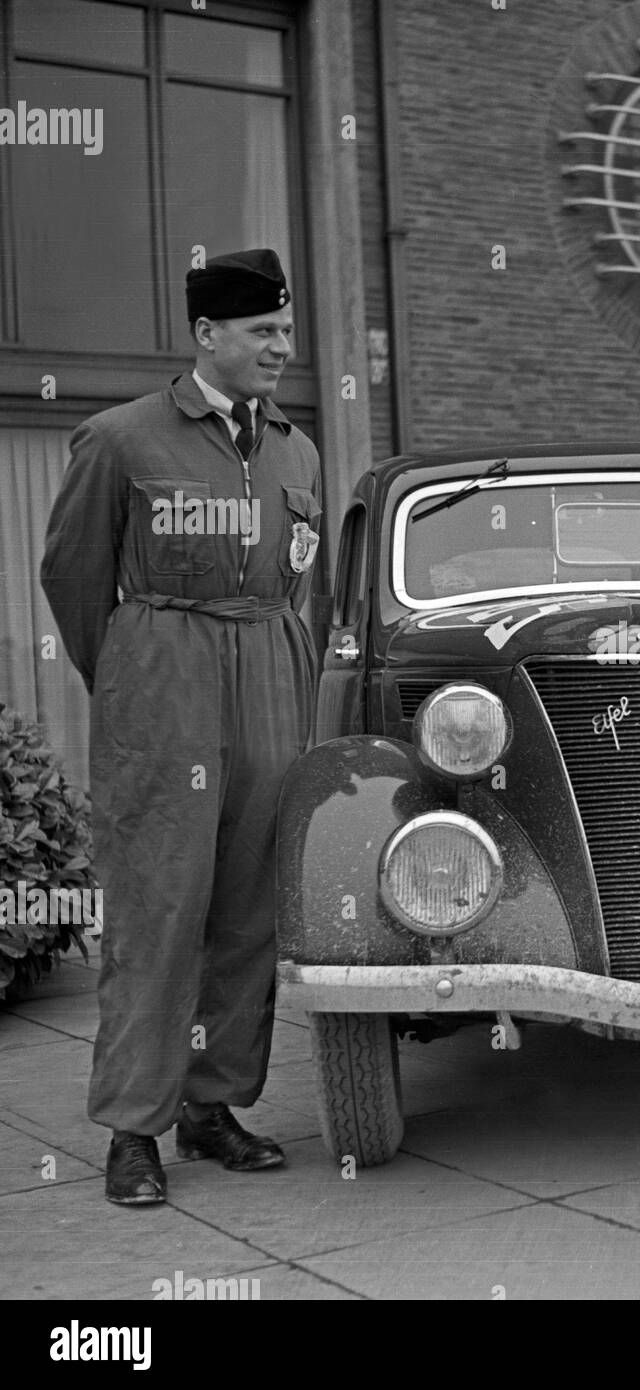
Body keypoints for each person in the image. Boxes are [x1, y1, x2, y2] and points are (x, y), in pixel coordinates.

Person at [41, 249, 322, 1203]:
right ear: (207, 335)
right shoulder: (120, 440)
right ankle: (133, 1128)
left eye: (285, 331)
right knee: (159, 909)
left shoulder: (296, 448)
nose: (282, 347)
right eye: (262, 332)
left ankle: (212, 1105)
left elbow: (298, 578)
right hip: (164, 683)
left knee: (247, 910)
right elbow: (75, 581)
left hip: (269, 678)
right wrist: (130, 678)